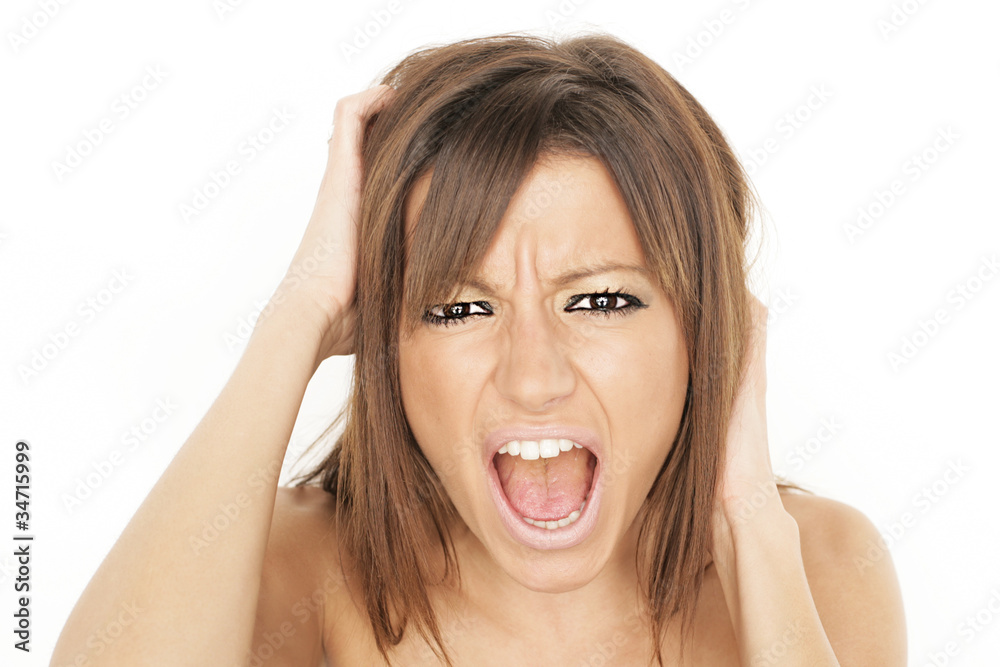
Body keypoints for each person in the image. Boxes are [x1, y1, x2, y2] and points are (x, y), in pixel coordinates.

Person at [51, 32, 906, 666]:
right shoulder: (299, 567)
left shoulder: (819, 565)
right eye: (459, 308)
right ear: (387, 343)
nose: (533, 377)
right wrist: (298, 313)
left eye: (601, 300)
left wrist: (750, 522)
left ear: (704, 327)